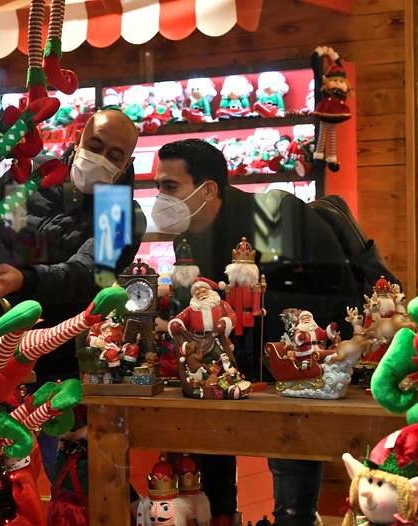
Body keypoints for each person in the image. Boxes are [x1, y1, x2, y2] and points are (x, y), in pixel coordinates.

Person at [152, 138, 367, 526]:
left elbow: (332, 292)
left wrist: (292, 354)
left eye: (170, 186)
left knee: (291, 493)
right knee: (211, 482)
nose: (161, 198)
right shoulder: (188, 233)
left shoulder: (275, 215)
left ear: (208, 189)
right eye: (158, 186)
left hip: (287, 374)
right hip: (221, 378)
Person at [0, 109, 145, 477]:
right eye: (96, 145)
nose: (101, 158)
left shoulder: (122, 213)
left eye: (115, 155)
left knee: (59, 477)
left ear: (126, 164)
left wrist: (24, 279)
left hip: (61, 361)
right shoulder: (33, 176)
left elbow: (87, 275)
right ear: (77, 140)